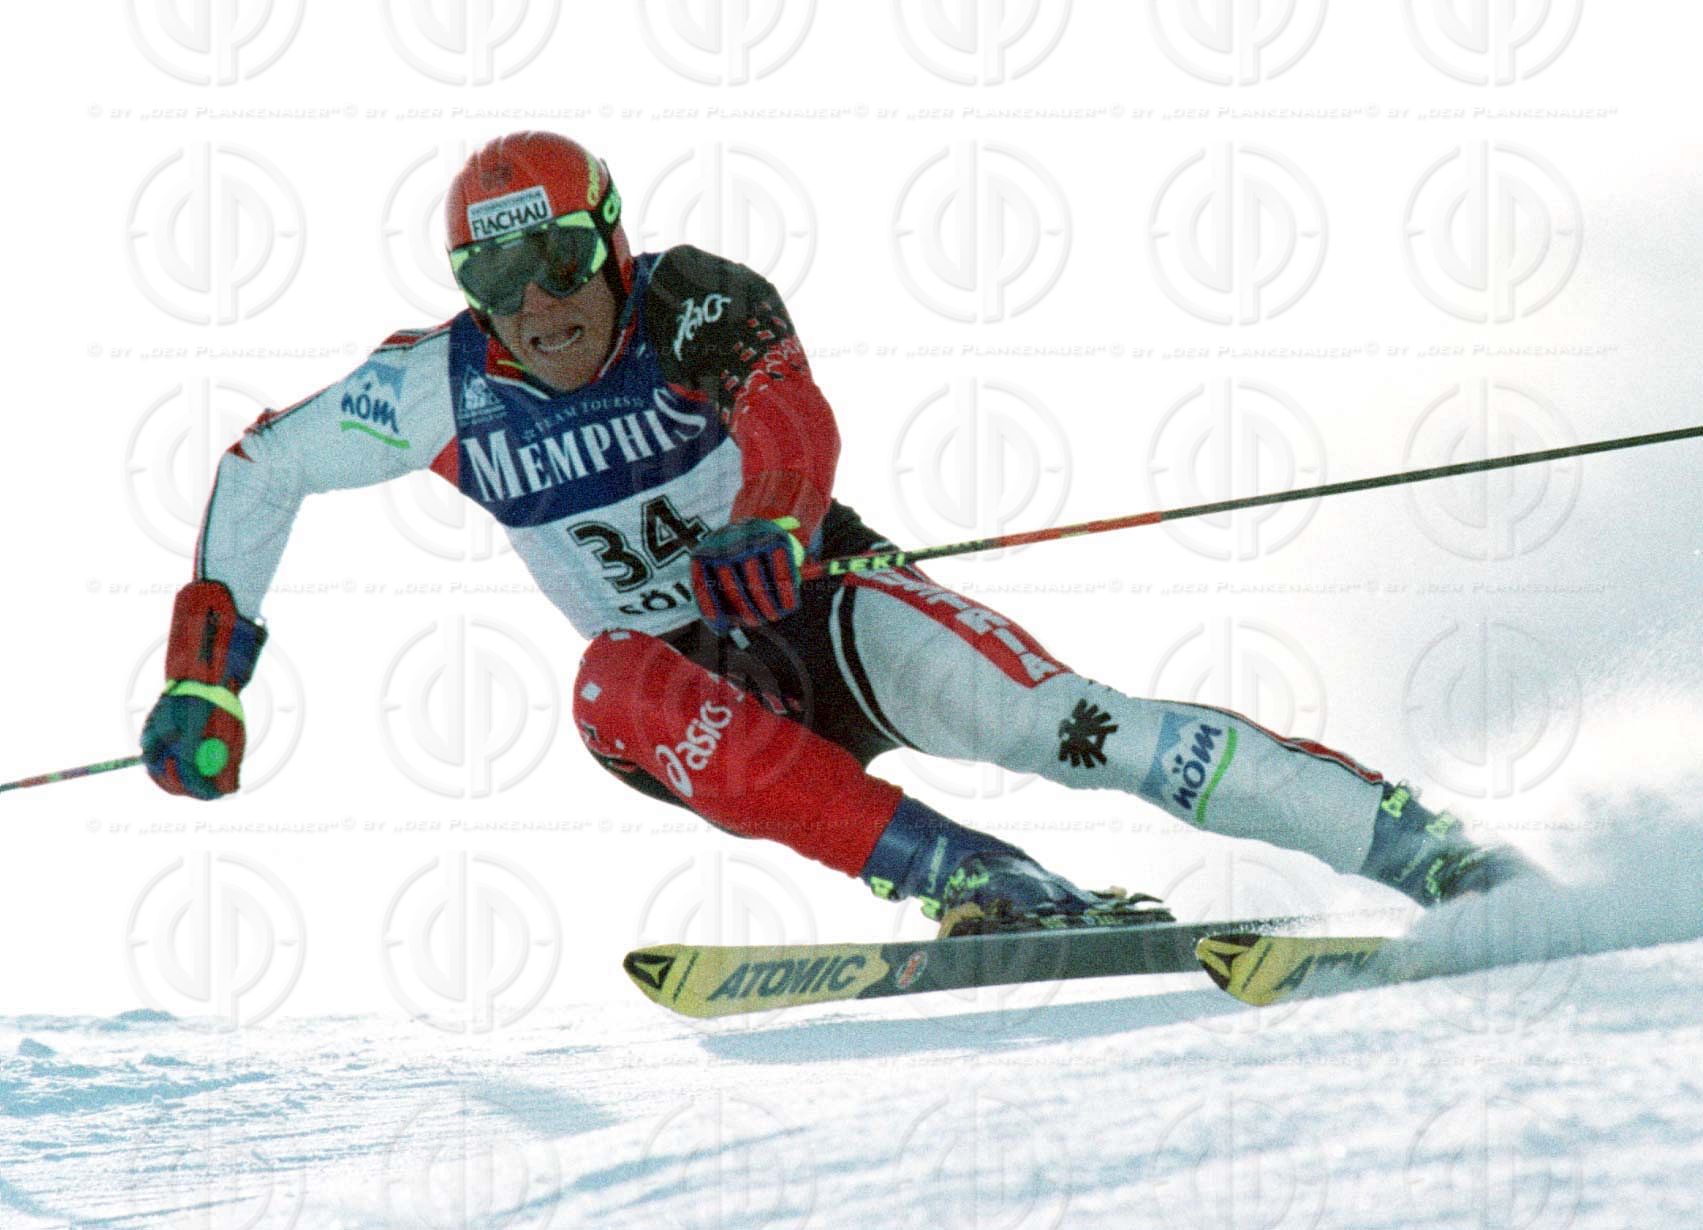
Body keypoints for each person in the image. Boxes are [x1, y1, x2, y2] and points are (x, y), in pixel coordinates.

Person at [140, 132, 1533, 936]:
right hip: (697, 693)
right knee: (608, 681)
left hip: (819, 607)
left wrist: (773, 521)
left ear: (608, 242)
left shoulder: (689, 302)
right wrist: (207, 675)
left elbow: (789, 414)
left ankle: (1412, 845)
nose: (538, 303)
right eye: (496, 277)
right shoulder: (430, 387)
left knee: (1070, 726)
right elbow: (263, 470)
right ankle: (972, 879)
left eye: (557, 257)